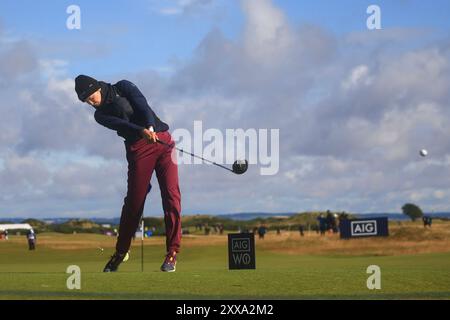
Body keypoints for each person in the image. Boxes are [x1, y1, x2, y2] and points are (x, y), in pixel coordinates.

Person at [75, 75, 181, 273]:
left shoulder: (123, 86)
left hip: (163, 141)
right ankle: (121, 252)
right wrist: (142, 131)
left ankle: (172, 253)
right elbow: (124, 125)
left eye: (91, 97)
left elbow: (142, 104)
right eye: (86, 101)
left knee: (171, 196)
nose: (91, 102)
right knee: (134, 202)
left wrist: (149, 126)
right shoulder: (100, 116)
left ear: (97, 88)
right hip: (139, 149)